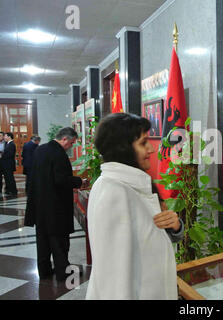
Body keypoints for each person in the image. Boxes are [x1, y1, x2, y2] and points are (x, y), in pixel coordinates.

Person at [86, 113, 184, 300]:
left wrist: (175, 225)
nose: (151, 149)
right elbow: (115, 278)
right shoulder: (114, 192)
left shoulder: (134, 185)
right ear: (122, 149)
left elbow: (148, 236)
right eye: (143, 142)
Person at [24, 128, 88, 281]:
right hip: (56, 204)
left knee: (43, 239)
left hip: (39, 203)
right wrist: (80, 182)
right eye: (71, 143)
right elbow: (61, 180)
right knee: (59, 239)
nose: (71, 147)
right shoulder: (59, 154)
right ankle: (63, 271)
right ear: (64, 139)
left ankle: (44, 270)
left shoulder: (41, 150)